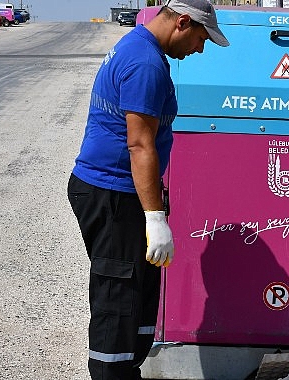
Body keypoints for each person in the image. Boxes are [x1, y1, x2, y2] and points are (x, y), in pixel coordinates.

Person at [67, 1, 229, 379]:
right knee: (118, 302)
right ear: (182, 22)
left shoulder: (138, 46)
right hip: (114, 196)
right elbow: (140, 145)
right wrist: (155, 219)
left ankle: (129, 370)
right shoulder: (146, 64)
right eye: (201, 38)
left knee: (137, 297)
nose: (200, 49)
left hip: (122, 193)